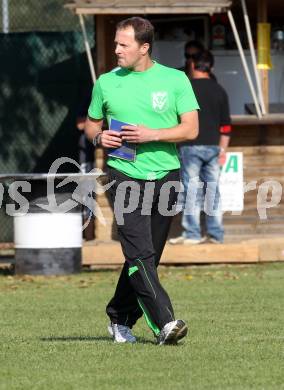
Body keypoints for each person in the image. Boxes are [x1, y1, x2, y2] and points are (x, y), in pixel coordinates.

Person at [85, 17, 199, 344]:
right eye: (116, 43)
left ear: (144, 47)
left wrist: (152, 135)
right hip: (124, 175)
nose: (116, 50)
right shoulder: (106, 82)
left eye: (124, 45)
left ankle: (119, 318)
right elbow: (91, 125)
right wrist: (98, 138)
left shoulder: (175, 80)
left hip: (166, 175)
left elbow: (190, 128)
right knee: (139, 254)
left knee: (147, 256)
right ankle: (165, 324)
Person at [170, 50, 231, 245]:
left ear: (192, 66)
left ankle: (193, 234)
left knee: (190, 191)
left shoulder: (185, 89)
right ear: (211, 68)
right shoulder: (220, 90)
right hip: (213, 147)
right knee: (213, 191)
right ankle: (216, 234)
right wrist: (223, 149)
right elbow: (226, 126)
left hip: (189, 146)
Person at [76, 88, 95, 241]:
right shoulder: (92, 93)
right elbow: (80, 124)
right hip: (88, 153)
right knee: (87, 193)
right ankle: (88, 237)